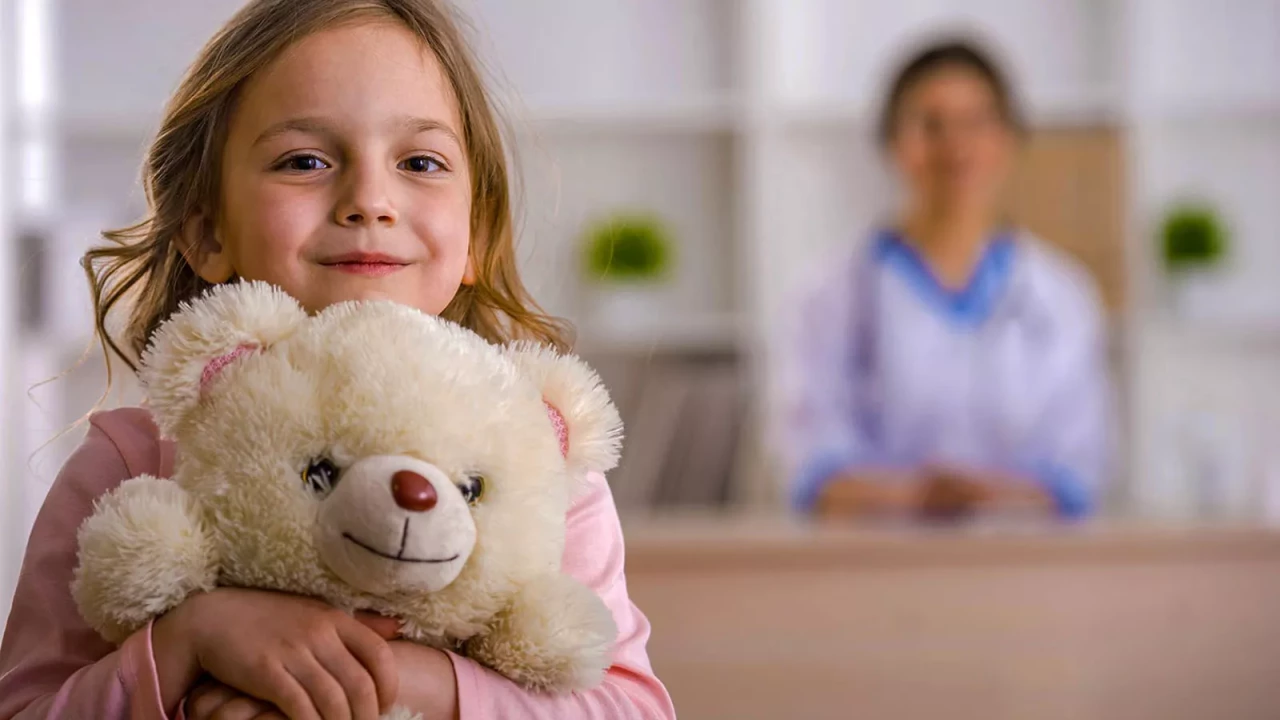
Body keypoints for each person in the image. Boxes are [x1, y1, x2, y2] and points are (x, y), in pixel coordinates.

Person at [0, 1, 676, 718]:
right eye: (306, 161)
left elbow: (628, 706)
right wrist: (189, 643)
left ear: (476, 233)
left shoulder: (531, 459)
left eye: (420, 162)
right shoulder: (131, 461)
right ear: (206, 232)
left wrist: (405, 678)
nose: (370, 200)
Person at [777, 39, 1112, 522]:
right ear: (891, 142)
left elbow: (1080, 472)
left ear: (1010, 138)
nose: (955, 146)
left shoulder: (1062, 296)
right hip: (872, 574)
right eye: (930, 125)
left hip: (1023, 570)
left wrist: (984, 499)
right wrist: (918, 499)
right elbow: (811, 468)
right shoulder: (828, 295)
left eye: (977, 122)